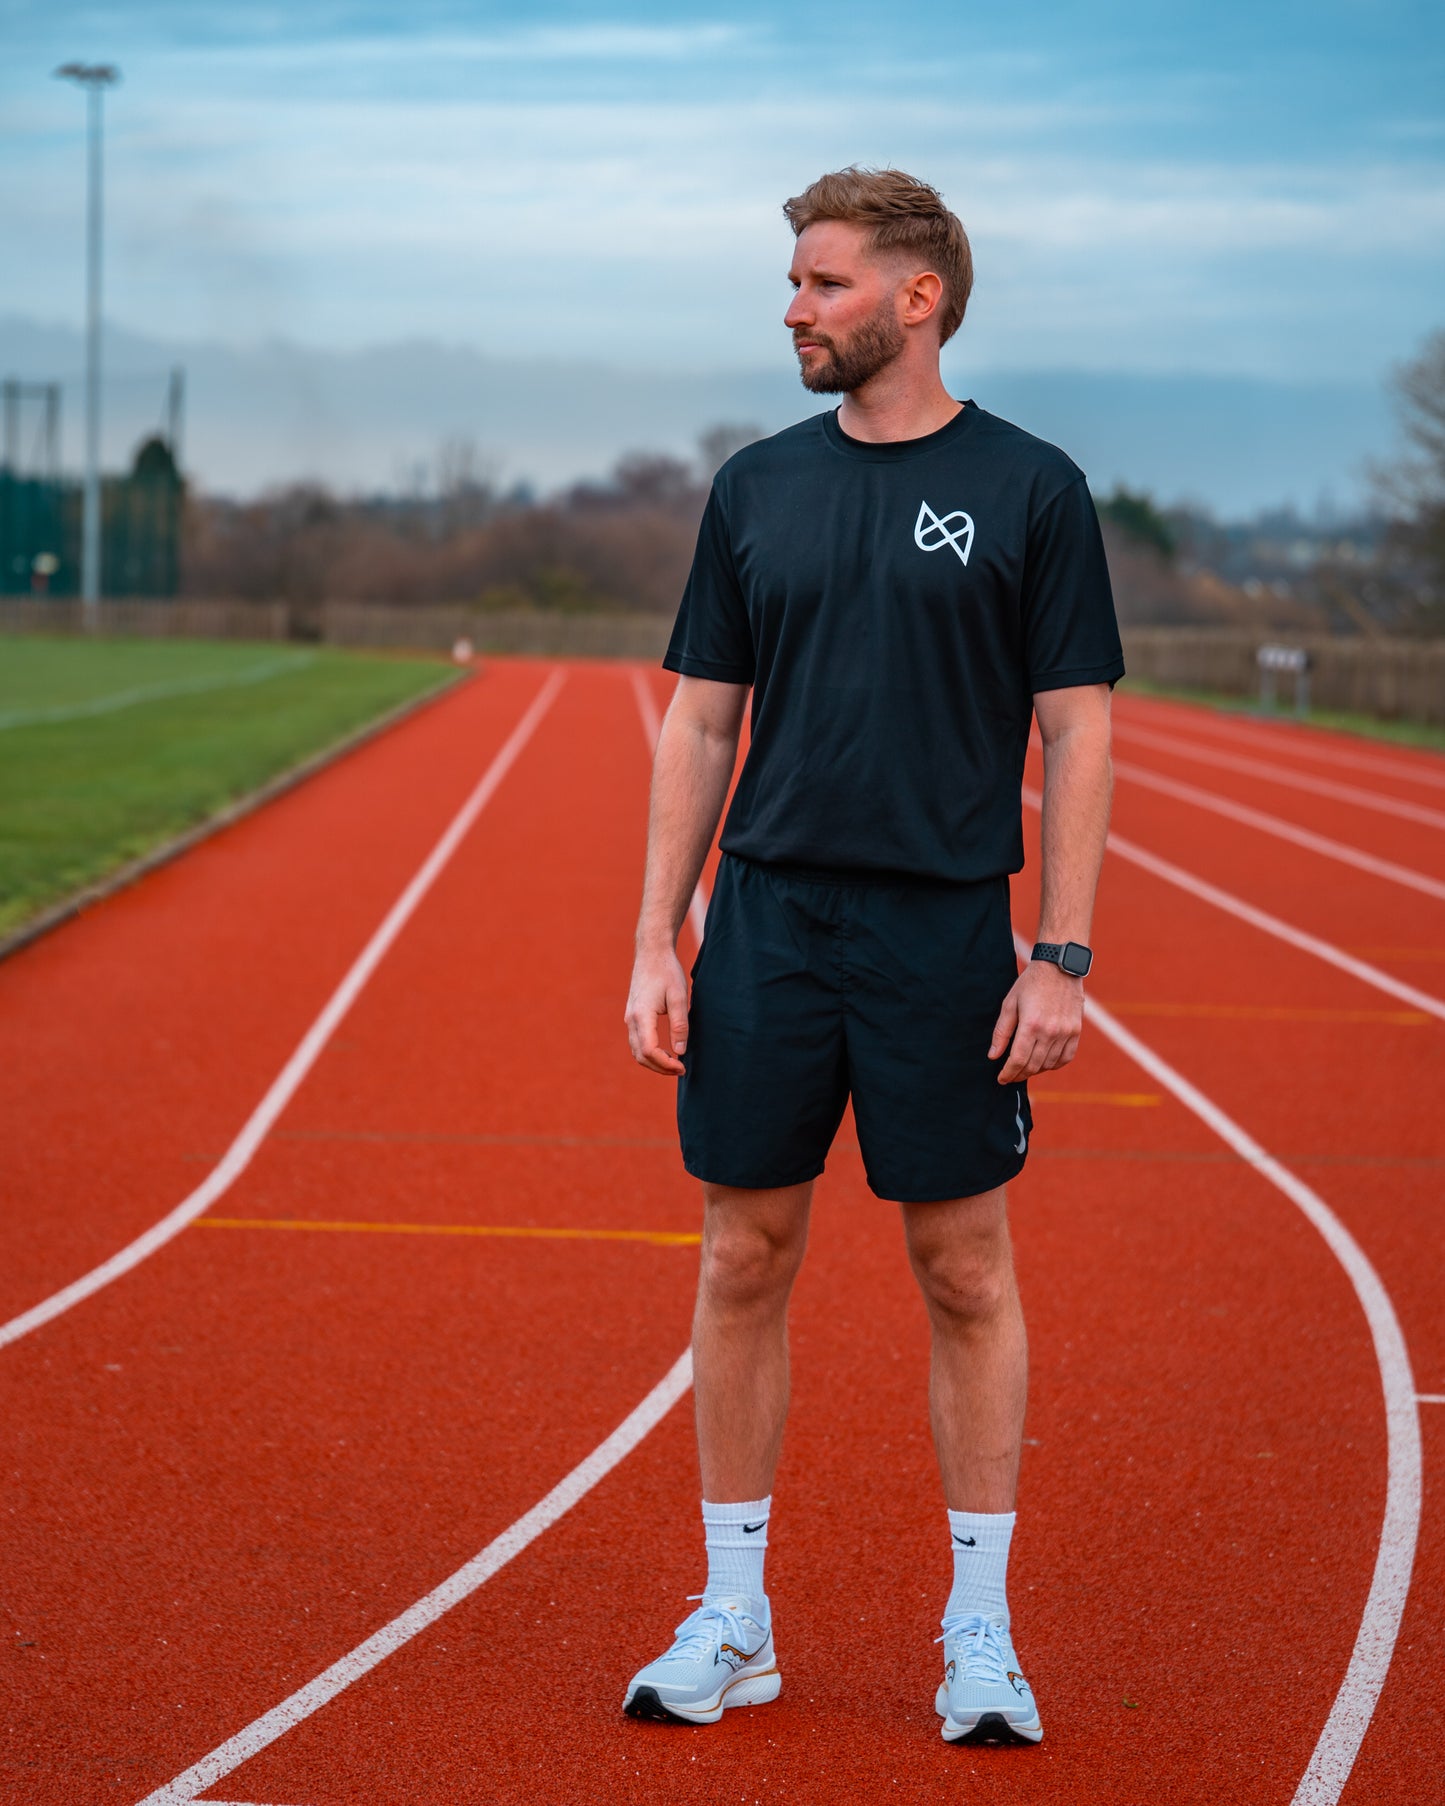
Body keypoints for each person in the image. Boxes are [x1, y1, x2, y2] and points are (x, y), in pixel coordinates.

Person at [622, 165, 1122, 1746]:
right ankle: (735, 1617)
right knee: (739, 1253)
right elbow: (701, 716)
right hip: (770, 921)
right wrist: (658, 932)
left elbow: (1078, 729)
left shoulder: (1033, 485)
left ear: (919, 297)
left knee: (962, 1266)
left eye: (823, 283)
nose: (792, 309)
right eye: (792, 283)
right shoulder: (755, 486)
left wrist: (1060, 952)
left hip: (939, 929)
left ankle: (979, 1630)